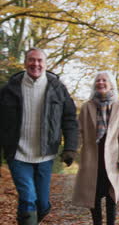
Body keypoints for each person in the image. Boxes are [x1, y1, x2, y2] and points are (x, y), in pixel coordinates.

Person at [0, 47, 79, 225]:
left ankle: (29, 218)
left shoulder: (58, 88)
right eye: (31, 60)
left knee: (41, 204)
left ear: (45, 64)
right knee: (28, 197)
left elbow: (70, 119)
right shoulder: (10, 88)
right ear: (25, 62)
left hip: (45, 154)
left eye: (39, 60)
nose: (35, 64)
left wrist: (70, 147)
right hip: (17, 153)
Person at [72, 71, 119, 225]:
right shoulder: (86, 107)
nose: (101, 83)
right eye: (98, 80)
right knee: (94, 195)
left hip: (112, 158)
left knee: (112, 197)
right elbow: (79, 132)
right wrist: (72, 151)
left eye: (104, 80)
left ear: (111, 84)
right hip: (92, 158)